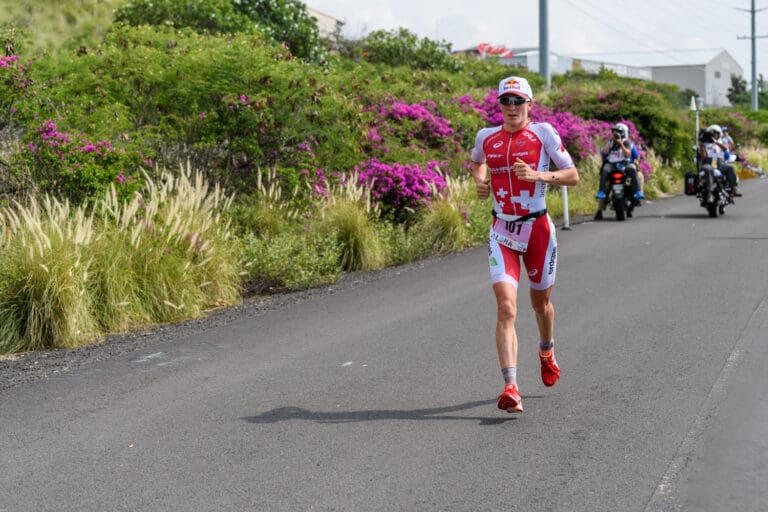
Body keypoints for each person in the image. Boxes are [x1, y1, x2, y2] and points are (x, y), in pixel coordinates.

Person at [469, 76, 580, 413]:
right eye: (506, 101)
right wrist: (480, 180)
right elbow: (477, 161)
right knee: (506, 307)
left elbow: (572, 175)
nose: (512, 107)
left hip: (537, 230)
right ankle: (511, 386)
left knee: (540, 304)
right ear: (499, 105)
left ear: (530, 104)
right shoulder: (486, 137)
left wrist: (538, 176)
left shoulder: (543, 132)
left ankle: (546, 350)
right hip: (501, 229)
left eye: (518, 101)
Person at [595, 122, 644, 201]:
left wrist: (621, 143)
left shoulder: (626, 142)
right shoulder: (611, 142)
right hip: (612, 164)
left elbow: (627, 154)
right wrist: (610, 141)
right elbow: (605, 153)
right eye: (615, 133)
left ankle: (637, 191)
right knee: (605, 170)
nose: (616, 134)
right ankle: (601, 191)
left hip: (624, 164)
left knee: (632, 168)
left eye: (618, 133)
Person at [699, 124, 741, 196]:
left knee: (730, 168)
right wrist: (702, 144)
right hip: (708, 163)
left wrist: (716, 142)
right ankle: (709, 192)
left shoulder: (720, 142)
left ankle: (734, 188)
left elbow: (725, 149)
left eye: (716, 134)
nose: (714, 136)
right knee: (708, 169)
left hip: (719, 163)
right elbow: (703, 157)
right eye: (713, 134)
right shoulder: (705, 144)